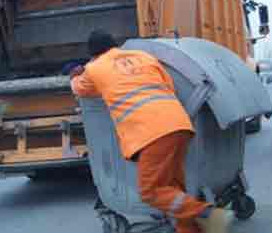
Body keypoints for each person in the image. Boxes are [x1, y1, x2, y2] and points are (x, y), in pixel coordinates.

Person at [70, 30, 235, 233]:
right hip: (179, 124)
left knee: (151, 192)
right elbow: (168, 84)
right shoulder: (144, 56)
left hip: (150, 133)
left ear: (93, 54)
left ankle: (206, 213)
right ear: (115, 44)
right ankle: (190, 229)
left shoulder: (94, 68)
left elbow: (79, 88)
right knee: (173, 190)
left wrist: (75, 76)